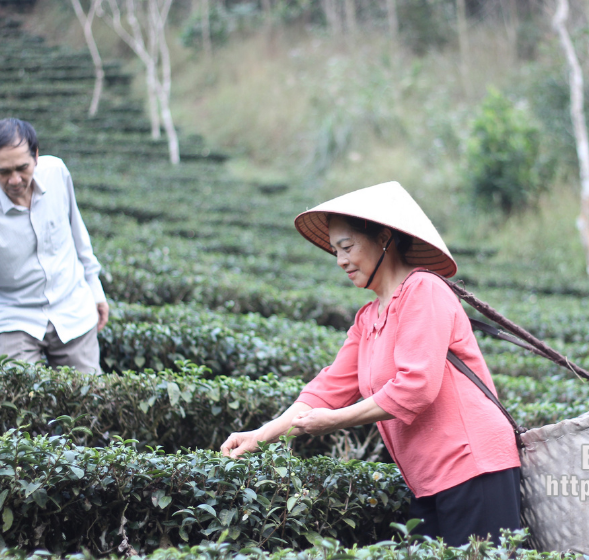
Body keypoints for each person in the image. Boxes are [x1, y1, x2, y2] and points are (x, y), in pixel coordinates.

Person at [220, 181, 522, 546]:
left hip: (473, 467)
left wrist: (335, 422)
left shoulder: (423, 290)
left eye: (347, 247)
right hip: (427, 479)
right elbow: (327, 389)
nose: (341, 260)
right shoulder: (367, 319)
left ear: (383, 238)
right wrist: (260, 435)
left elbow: (417, 386)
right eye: (334, 251)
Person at [0, 118, 108, 374]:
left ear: (36, 156)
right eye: (3, 171)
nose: (15, 180)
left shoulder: (57, 172)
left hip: (72, 307)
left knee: (90, 401)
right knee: (27, 404)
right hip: (14, 317)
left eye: (22, 168)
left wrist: (95, 288)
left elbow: (77, 233)